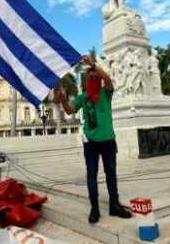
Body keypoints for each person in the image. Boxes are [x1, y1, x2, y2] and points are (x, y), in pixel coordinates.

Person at [55, 55, 132, 224]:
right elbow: (69, 110)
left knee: (111, 173)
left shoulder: (106, 93)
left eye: (96, 78)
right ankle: (95, 208)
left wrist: (94, 66)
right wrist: (62, 98)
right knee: (92, 174)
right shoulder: (83, 98)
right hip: (91, 143)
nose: (94, 80)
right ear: (86, 81)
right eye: (91, 78)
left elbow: (108, 79)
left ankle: (114, 205)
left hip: (108, 141)